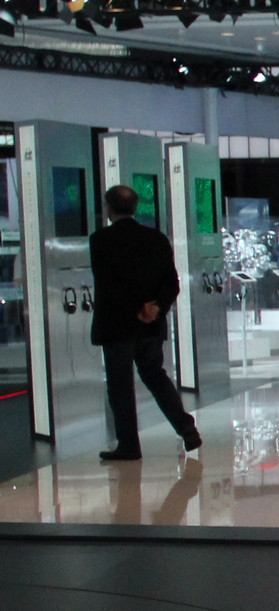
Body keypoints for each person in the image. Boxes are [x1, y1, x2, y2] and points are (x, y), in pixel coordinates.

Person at [89, 182, 201, 461]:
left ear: (109, 207)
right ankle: (185, 426)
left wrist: (136, 309)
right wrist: (156, 308)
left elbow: (110, 285)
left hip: (118, 325)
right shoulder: (157, 239)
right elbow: (171, 282)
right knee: (154, 374)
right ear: (135, 207)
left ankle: (129, 444)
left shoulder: (100, 240)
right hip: (151, 324)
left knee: (120, 383)